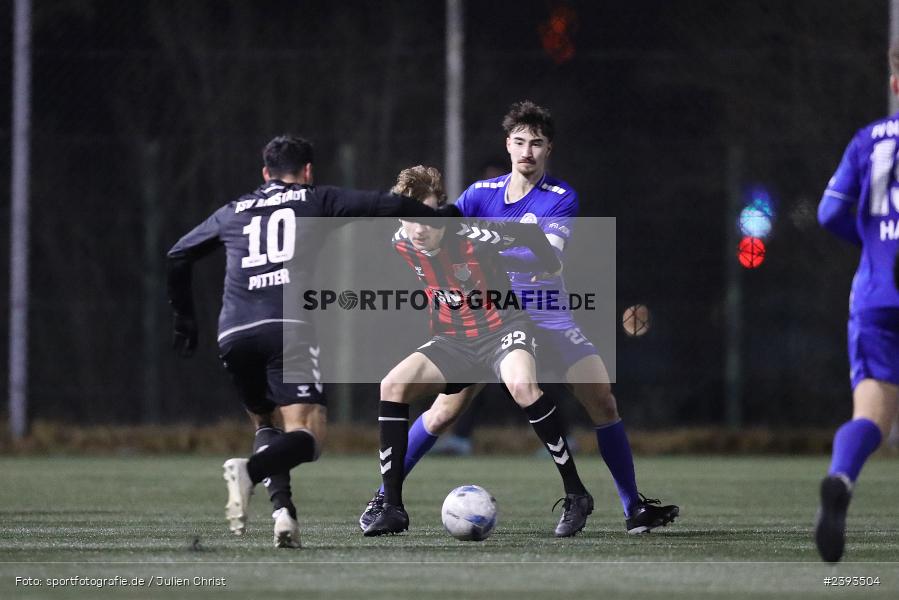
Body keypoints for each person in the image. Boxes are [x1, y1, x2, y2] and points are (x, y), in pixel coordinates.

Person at [360, 101, 679, 536]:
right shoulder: (478, 194)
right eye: (519, 142)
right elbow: (442, 230)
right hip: (489, 317)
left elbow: (548, 260)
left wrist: (490, 241)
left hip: (545, 314)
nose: (526, 151)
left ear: (549, 149)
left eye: (536, 143)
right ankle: (386, 496)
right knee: (441, 413)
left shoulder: (560, 197)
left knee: (601, 399)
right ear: (507, 145)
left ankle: (632, 508)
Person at [166, 135, 452, 548]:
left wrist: (184, 320)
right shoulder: (314, 199)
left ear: (265, 173)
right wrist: (439, 215)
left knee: (265, 421)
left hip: (233, 333)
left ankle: (284, 514)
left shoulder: (232, 211)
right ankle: (248, 471)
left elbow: (178, 254)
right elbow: (382, 205)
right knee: (308, 437)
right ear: (308, 172)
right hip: (287, 328)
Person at [363, 165, 592, 537]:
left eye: (426, 217)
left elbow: (527, 234)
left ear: (441, 208)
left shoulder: (473, 235)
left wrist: (550, 265)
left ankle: (576, 494)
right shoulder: (401, 240)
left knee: (522, 386)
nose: (418, 228)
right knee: (392, 386)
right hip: (455, 340)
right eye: (409, 218)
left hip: (503, 329)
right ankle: (391, 507)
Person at [815, 46, 899, 563]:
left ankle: (841, 477)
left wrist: (874, 244)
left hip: (877, 293)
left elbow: (828, 213)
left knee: (872, 414)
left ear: (895, 85)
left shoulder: (869, 140)